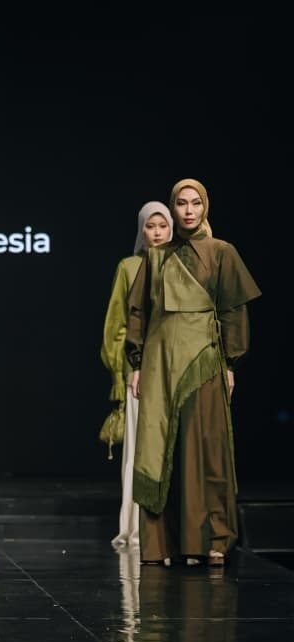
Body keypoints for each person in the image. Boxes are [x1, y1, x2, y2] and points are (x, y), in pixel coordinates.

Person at [127, 178, 261, 567]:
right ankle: (162, 543)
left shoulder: (222, 252)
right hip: (160, 363)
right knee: (158, 447)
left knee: (205, 446)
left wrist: (230, 363)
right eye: (182, 203)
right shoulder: (156, 257)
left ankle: (213, 538)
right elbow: (139, 313)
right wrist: (137, 364)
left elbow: (234, 311)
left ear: (205, 207)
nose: (188, 211)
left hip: (203, 360)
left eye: (195, 203)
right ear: (173, 208)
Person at [101, 201, 173, 547]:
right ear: (141, 230)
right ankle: (134, 528)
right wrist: (123, 374)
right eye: (150, 226)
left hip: (175, 370)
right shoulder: (129, 267)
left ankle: (170, 529)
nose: (156, 232)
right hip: (139, 373)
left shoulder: (181, 265)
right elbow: (116, 326)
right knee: (136, 452)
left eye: (162, 225)